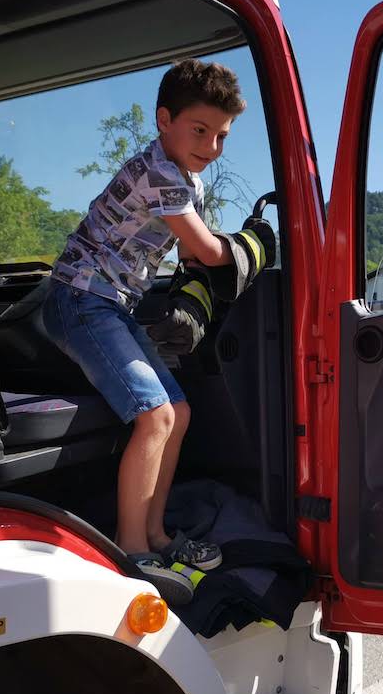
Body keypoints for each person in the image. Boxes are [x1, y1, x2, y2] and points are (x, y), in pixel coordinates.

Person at [43, 59, 271, 569]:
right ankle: (132, 549)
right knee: (155, 415)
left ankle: (156, 533)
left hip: (113, 304)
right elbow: (206, 251)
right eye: (200, 130)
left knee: (179, 413)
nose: (212, 147)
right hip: (80, 297)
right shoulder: (160, 173)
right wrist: (254, 246)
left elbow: (189, 252)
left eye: (222, 136)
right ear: (164, 120)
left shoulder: (188, 181)